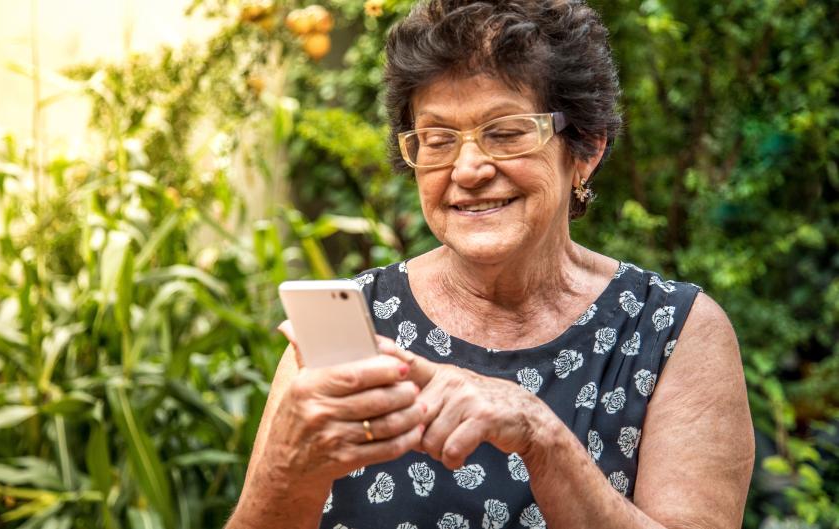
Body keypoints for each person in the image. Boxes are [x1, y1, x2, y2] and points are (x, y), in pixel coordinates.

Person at [226, 1, 755, 528]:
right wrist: (287, 467)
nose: (469, 169)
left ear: (586, 149)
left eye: (505, 132)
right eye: (437, 139)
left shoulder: (673, 333)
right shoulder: (357, 324)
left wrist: (539, 436)